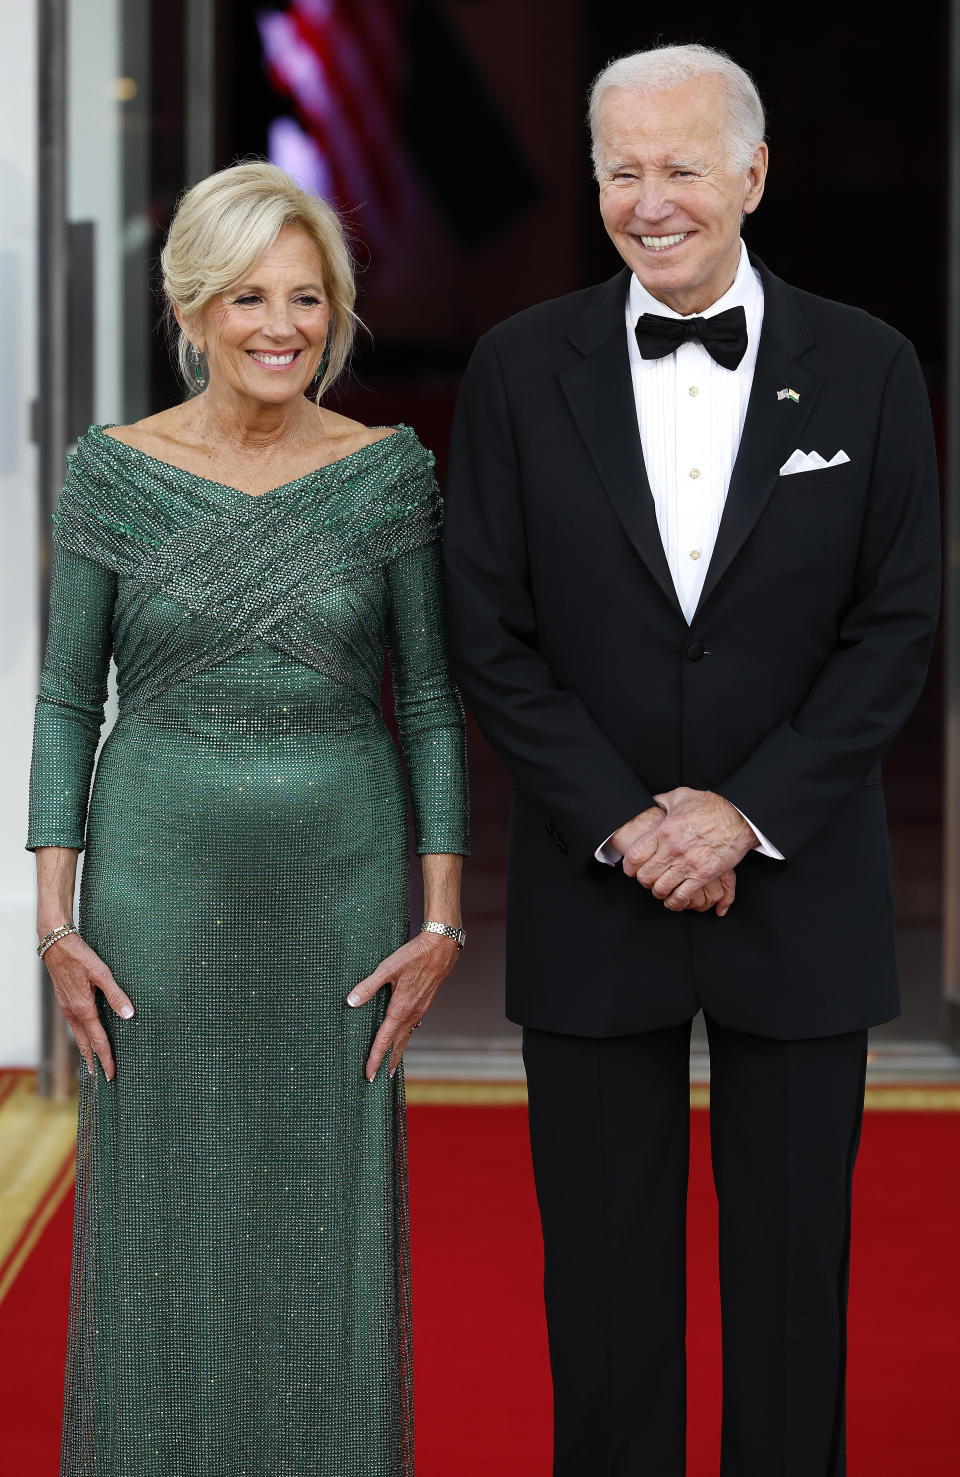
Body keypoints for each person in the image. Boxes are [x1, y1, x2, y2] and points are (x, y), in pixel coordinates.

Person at [443, 42, 940, 1477]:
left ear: (753, 174)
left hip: (799, 884)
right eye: (620, 170)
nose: (649, 200)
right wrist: (628, 821)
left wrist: (740, 814)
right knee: (600, 1294)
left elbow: (896, 629)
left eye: (680, 167)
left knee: (796, 1298)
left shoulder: (870, 365)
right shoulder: (520, 368)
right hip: (596, 890)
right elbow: (491, 633)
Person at [28, 161, 469, 1477]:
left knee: (321, 1228)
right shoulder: (111, 472)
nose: (281, 328)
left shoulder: (389, 474)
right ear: (193, 306)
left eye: (308, 298)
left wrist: (441, 915)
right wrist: (55, 921)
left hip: (339, 898)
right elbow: (64, 702)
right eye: (248, 299)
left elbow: (434, 701)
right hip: (154, 895)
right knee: (161, 1215)